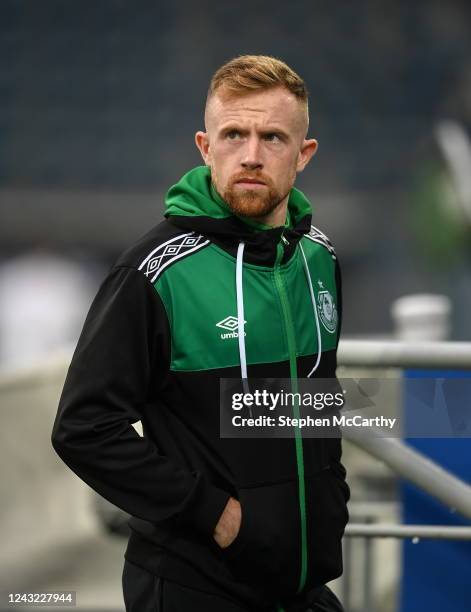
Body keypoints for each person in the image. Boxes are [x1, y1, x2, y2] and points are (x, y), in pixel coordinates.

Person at [51, 55, 349, 612]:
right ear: (205, 147)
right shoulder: (154, 273)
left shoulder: (320, 257)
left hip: (299, 580)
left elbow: (315, 401)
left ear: (304, 154)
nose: (252, 155)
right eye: (234, 134)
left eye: (273, 137)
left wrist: (330, 496)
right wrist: (215, 515)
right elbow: (83, 429)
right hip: (193, 583)